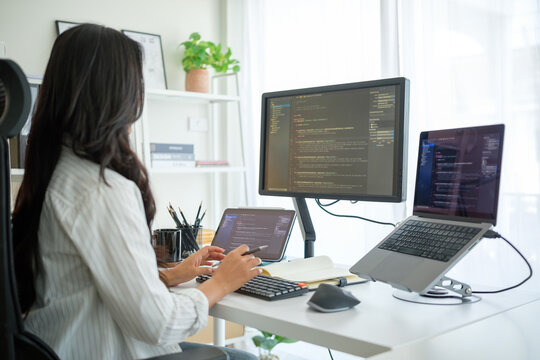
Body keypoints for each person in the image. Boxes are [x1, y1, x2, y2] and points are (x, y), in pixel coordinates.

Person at [12, 24, 259, 360]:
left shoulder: (54, 171)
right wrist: (221, 283)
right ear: (120, 95)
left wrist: (169, 275)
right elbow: (158, 324)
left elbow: (79, 282)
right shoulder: (102, 190)